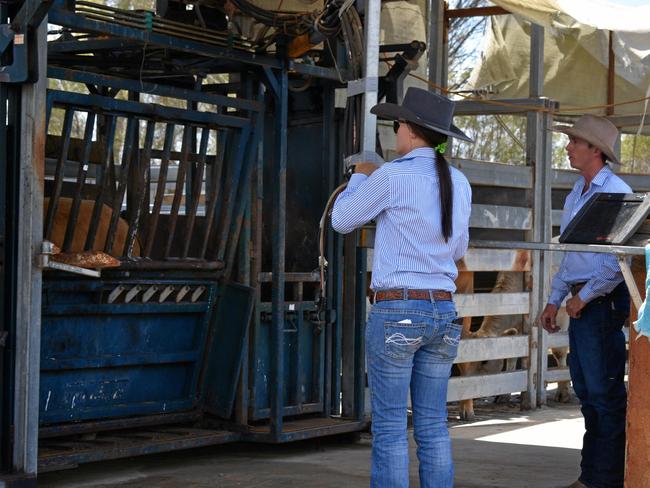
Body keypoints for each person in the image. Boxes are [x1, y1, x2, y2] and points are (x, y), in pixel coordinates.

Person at [331, 87, 473, 488]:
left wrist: (359, 178)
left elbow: (342, 221)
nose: (395, 131)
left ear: (410, 130)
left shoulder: (391, 176)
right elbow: (458, 246)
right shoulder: (458, 183)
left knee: (392, 426)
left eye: (397, 124)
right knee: (432, 424)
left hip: (398, 310)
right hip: (443, 311)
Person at [539, 115, 631, 488]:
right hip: (585, 298)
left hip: (600, 300)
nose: (568, 147)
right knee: (589, 390)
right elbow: (572, 253)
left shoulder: (615, 192)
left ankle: (603, 478)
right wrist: (555, 298)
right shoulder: (578, 192)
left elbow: (616, 261)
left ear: (595, 150)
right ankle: (592, 475)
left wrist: (584, 296)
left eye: (575, 141)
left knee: (603, 391)